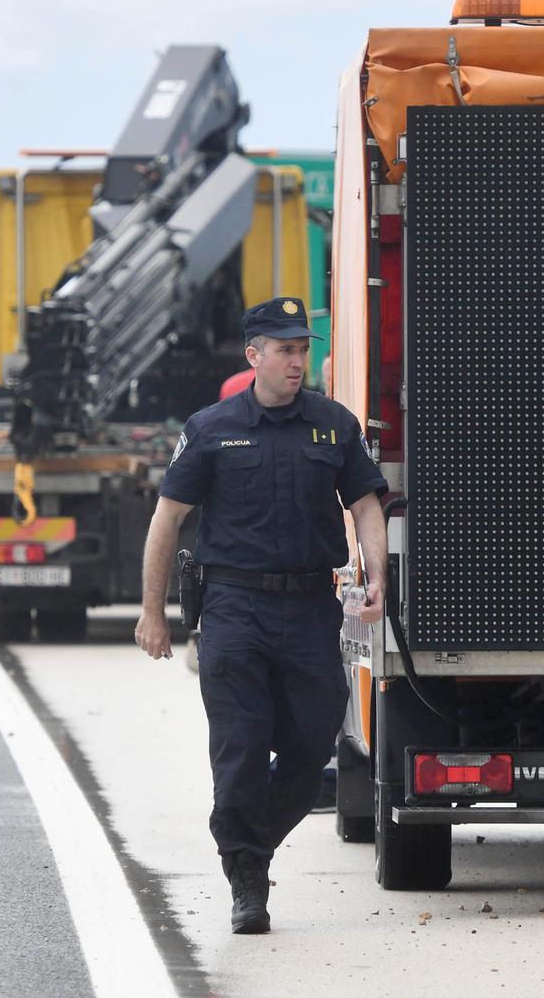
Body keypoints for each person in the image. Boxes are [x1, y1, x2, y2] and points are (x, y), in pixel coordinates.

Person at [133, 296, 387, 935]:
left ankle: (246, 839)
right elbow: (168, 520)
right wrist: (152, 614)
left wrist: (378, 572)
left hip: (308, 607)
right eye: (284, 349)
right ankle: (247, 875)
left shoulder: (334, 424)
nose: (298, 360)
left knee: (311, 747)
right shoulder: (213, 428)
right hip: (233, 608)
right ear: (254, 356)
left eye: (303, 348)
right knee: (241, 748)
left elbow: (365, 504)